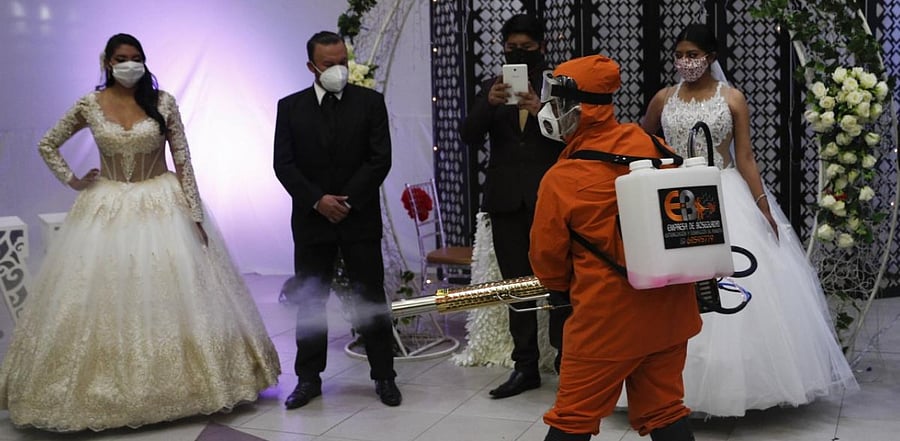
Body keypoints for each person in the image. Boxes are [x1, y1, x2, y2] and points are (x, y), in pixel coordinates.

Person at [0, 33, 281, 432]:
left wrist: (195, 213)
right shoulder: (89, 105)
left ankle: (199, 387)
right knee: (100, 293)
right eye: (120, 58)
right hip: (106, 205)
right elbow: (48, 144)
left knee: (178, 288)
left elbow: (182, 158)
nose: (128, 64)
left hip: (162, 203)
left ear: (144, 61)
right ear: (107, 62)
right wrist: (73, 180)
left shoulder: (162, 102)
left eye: (135, 58)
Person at [635, 23, 858, 417]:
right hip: (675, 195)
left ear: (711, 57)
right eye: (680, 55)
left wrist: (763, 207)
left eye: (693, 55)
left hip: (724, 191)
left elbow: (746, 157)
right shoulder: (663, 98)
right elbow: (639, 141)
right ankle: (666, 383)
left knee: (731, 285)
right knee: (676, 286)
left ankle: (729, 384)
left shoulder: (732, 98)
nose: (686, 62)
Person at [530, 54, 700, 441]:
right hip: (671, 312)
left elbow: (548, 262)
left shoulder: (564, 177)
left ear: (578, 108)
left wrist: (558, 288)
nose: (549, 111)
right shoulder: (656, 147)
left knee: (572, 418)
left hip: (605, 322)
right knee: (665, 410)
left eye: (555, 104)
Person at [273, 31, 400, 409]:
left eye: (342, 62)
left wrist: (346, 200)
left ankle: (384, 376)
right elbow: (284, 164)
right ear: (311, 66)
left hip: (358, 217)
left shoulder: (370, 103)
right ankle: (308, 378)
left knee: (371, 297)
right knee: (311, 300)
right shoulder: (290, 107)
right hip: (312, 222)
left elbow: (380, 159)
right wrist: (317, 201)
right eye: (329, 64)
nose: (338, 70)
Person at [459, 13, 567, 398]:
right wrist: (488, 105)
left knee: (560, 286)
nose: (519, 53)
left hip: (552, 201)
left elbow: (574, 138)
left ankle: (565, 363)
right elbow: (468, 136)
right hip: (505, 200)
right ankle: (525, 367)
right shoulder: (493, 86)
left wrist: (541, 108)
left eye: (527, 48)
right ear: (503, 48)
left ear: (543, 47)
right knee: (516, 287)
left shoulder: (560, 85)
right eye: (511, 48)